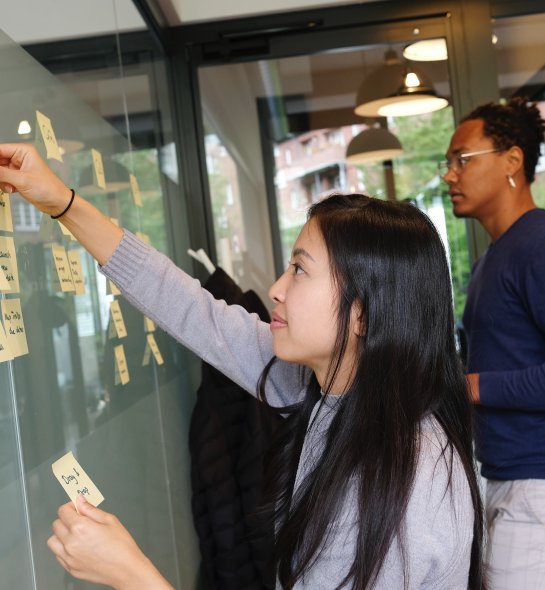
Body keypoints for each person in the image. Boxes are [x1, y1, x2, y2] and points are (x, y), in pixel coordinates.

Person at [0, 143, 486, 589]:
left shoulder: (404, 480)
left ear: (362, 312)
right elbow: (187, 306)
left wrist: (130, 573)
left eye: (299, 270)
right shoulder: (320, 385)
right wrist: (60, 201)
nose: (276, 288)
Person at [441, 97, 545, 589]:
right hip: (503, 478)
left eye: (462, 159)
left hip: (536, 484)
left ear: (512, 161)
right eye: (448, 163)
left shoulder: (539, 243)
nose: (449, 175)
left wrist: (476, 387)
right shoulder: (490, 260)